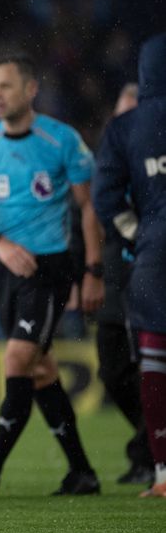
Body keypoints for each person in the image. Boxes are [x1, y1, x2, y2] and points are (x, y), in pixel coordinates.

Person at [0, 52, 104, 497]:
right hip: (4, 269)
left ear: (30, 89)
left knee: (18, 359)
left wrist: (93, 270)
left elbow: (89, 206)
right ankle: (82, 472)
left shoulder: (61, 141)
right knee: (40, 369)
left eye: (6, 86)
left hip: (50, 268)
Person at [93, 32, 166, 498]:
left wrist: (139, 234)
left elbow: (105, 198)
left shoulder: (126, 127)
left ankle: (163, 474)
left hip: (155, 256)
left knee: (155, 361)